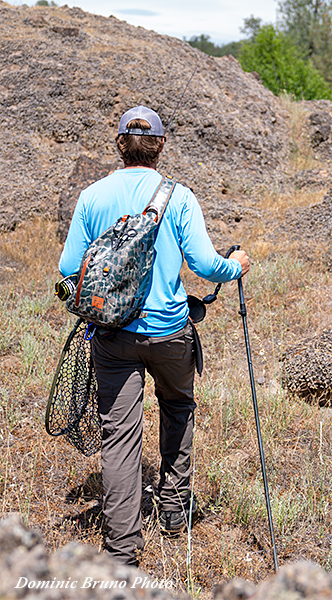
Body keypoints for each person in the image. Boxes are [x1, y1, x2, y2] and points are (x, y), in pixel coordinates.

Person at [59, 105, 250, 566]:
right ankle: (173, 511)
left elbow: (68, 272)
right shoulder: (178, 197)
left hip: (112, 336)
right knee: (178, 407)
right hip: (170, 333)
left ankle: (122, 551)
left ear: (119, 144)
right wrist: (236, 265)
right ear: (160, 145)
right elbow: (206, 266)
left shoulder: (92, 196)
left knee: (119, 437)